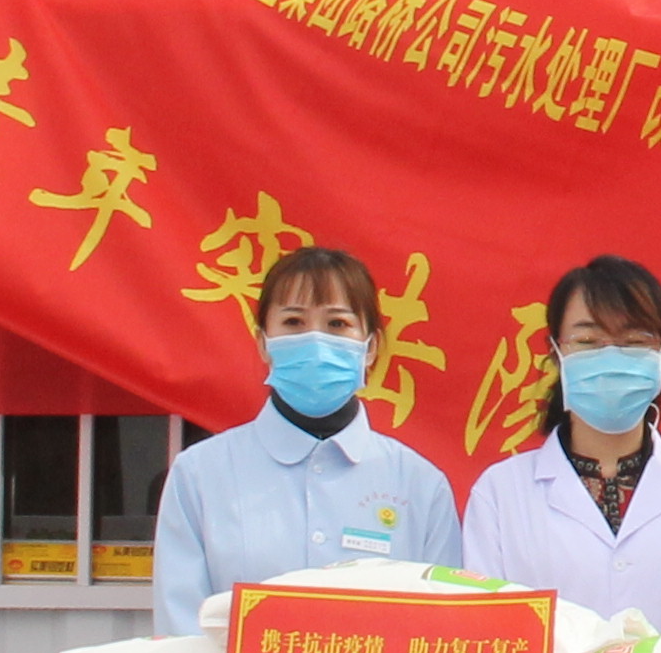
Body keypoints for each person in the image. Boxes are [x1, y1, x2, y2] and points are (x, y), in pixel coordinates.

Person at [150, 245, 464, 633]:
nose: (315, 340)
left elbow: (441, 629)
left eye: (337, 324)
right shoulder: (199, 474)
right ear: (263, 342)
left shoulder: (420, 485)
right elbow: (181, 630)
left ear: (370, 347)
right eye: (294, 322)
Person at [458, 253, 661, 634]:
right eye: (588, 341)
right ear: (556, 351)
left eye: (634, 341)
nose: (611, 358)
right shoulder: (501, 492)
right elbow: (487, 632)